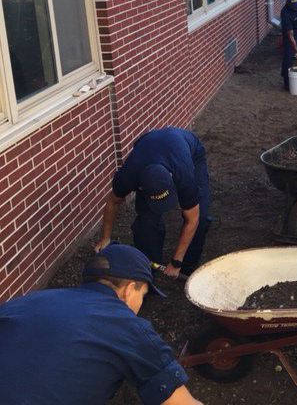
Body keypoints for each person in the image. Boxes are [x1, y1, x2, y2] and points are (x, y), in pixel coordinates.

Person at [0, 244, 202, 405]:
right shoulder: (128, 327)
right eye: (143, 295)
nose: (140, 304)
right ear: (129, 289)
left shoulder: (26, 302)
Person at [96, 127, 211, 277]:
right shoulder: (128, 176)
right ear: (141, 187)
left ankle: (188, 266)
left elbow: (193, 219)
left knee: (201, 217)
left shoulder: (184, 175)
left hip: (188, 147)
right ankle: (149, 268)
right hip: (147, 145)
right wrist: (105, 238)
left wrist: (177, 262)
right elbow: (112, 202)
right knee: (146, 222)